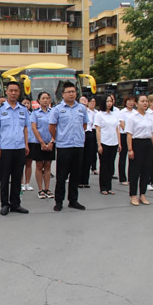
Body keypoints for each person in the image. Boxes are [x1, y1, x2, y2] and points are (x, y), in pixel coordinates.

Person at [49, 82, 88, 212]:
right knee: (61, 175)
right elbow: (52, 127)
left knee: (76, 175)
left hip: (78, 145)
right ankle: (59, 201)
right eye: (69, 92)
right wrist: (59, 138)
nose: (72, 94)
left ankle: (73, 200)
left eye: (73, 91)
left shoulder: (81, 108)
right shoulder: (57, 109)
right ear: (63, 94)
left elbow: (84, 125)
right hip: (64, 146)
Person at [0, 81, 30, 216]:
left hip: (19, 148)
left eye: (16, 91)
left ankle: (15, 203)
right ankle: (5, 204)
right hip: (5, 148)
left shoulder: (23, 109)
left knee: (17, 176)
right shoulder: (0, 110)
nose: (13, 93)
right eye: (11, 90)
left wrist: (26, 144)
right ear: (6, 92)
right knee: (4, 177)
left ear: (19, 93)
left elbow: (25, 128)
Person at [125, 94, 153, 206]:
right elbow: (129, 135)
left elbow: (151, 134)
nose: (145, 103)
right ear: (137, 103)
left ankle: (143, 194)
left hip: (148, 144)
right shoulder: (132, 117)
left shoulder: (149, 117)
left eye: (146, 101)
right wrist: (130, 149)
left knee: (146, 170)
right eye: (142, 101)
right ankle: (133, 195)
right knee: (135, 171)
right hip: (137, 144)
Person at [94, 95, 121, 195]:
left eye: (111, 101)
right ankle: (103, 187)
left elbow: (117, 129)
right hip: (104, 142)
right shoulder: (99, 114)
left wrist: (119, 143)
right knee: (104, 165)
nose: (109, 103)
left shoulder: (114, 114)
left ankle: (109, 187)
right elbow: (98, 130)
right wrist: (99, 145)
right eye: (107, 101)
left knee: (111, 165)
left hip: (114, 142)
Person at [31, 92, 55, 199]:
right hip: (38, 143)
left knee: (48, 166)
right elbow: (34, 128)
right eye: (43, 98)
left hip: (50, 142)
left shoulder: (53, 112)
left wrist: (52, 141)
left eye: (47, 98)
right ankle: (40, 189)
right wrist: (41, 142)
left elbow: (56, 127)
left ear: (50, 100)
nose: (45, 100)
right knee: (39, 166)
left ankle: (47, 188)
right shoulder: (35, 113)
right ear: (39, 100)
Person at [79, 96, 97, 188]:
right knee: (80, 158)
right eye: (81, 102)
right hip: (80, 134)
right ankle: (79, 180)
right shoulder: (78, 111)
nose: (83, 103)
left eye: (85, 101)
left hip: (89, 134)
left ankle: (86, 180)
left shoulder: (91, 112)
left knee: (88, 158)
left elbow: (93, 124)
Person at [118, 95, 135, 185]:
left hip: (133, 136)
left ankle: (132, 176)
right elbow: (122, 124)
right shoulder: (122, 112)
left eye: (132, 101)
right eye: (129, 101)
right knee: (123, 156)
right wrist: (129, 132)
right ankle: (122, 177)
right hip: (124, 135)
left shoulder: (135, 112)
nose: (131, 103)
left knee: (132, 157)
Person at [21, 98, 35, 193]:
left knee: (29, 163)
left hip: (31, 141)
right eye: (24, 103)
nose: (26, 105)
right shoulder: (20, 114)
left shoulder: (32, 114)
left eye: (28, 103)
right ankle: (21, 183)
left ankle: (27, 183)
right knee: (21, 164)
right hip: (21, 142)